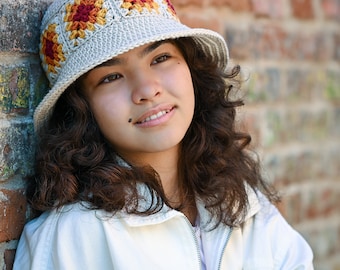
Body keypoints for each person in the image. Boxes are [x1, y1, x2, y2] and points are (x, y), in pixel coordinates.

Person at [13, 0, 314, 269]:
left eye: (160, 58)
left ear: (191, 68)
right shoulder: (70, 238)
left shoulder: (243, 204)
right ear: (82, 109)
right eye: (111, 77)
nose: (147, 90)